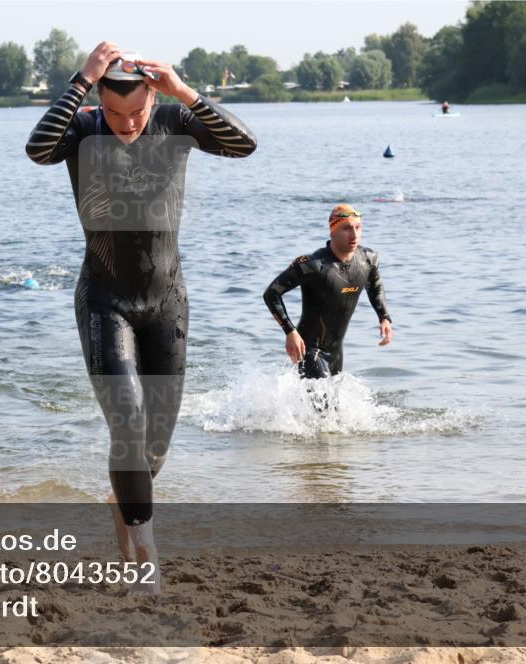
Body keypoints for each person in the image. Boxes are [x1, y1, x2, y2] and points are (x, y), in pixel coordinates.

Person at [26, 42, 256, 592]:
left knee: (153, 448)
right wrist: (82, 79)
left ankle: (124, 500)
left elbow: (243, 144)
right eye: (114, 112)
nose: (127, 124)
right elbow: (38, 149)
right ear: (98, 102)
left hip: (167, 302)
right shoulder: (83, 129)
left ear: (153, 97)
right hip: (105, 299)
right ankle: (146, 559)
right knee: (127, 421)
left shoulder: (175, 120)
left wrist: (184, 92)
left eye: (136, 112)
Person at [263, 204, 392, 380]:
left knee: (334, 398)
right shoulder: (313, 265)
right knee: (323, 397)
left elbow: (375, 284)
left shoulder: (368, 260)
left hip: (336, 353)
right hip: (309, 350)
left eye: (358, 227)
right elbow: (271, 294)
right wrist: (290, 332)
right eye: (347, 228)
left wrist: (384, 317)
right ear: (332, 231)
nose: (354, 234)